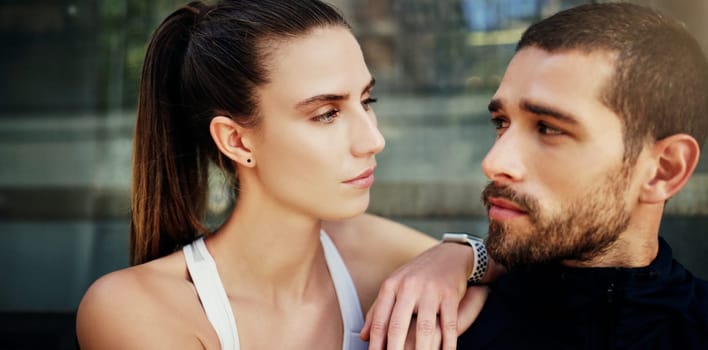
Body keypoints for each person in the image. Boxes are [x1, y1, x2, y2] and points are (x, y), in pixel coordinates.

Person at [75, 1, 493, 349]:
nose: (373, 139)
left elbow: (521, 264)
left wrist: (457, 258)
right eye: (326, 113)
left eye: (366, 100)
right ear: (237, 141)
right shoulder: (136, 308)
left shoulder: (362, 246)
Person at [363, 2, 708, 349]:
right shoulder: (436, 330)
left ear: (664, 169)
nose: (493, 162)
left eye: (548, 128)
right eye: (501, 123)